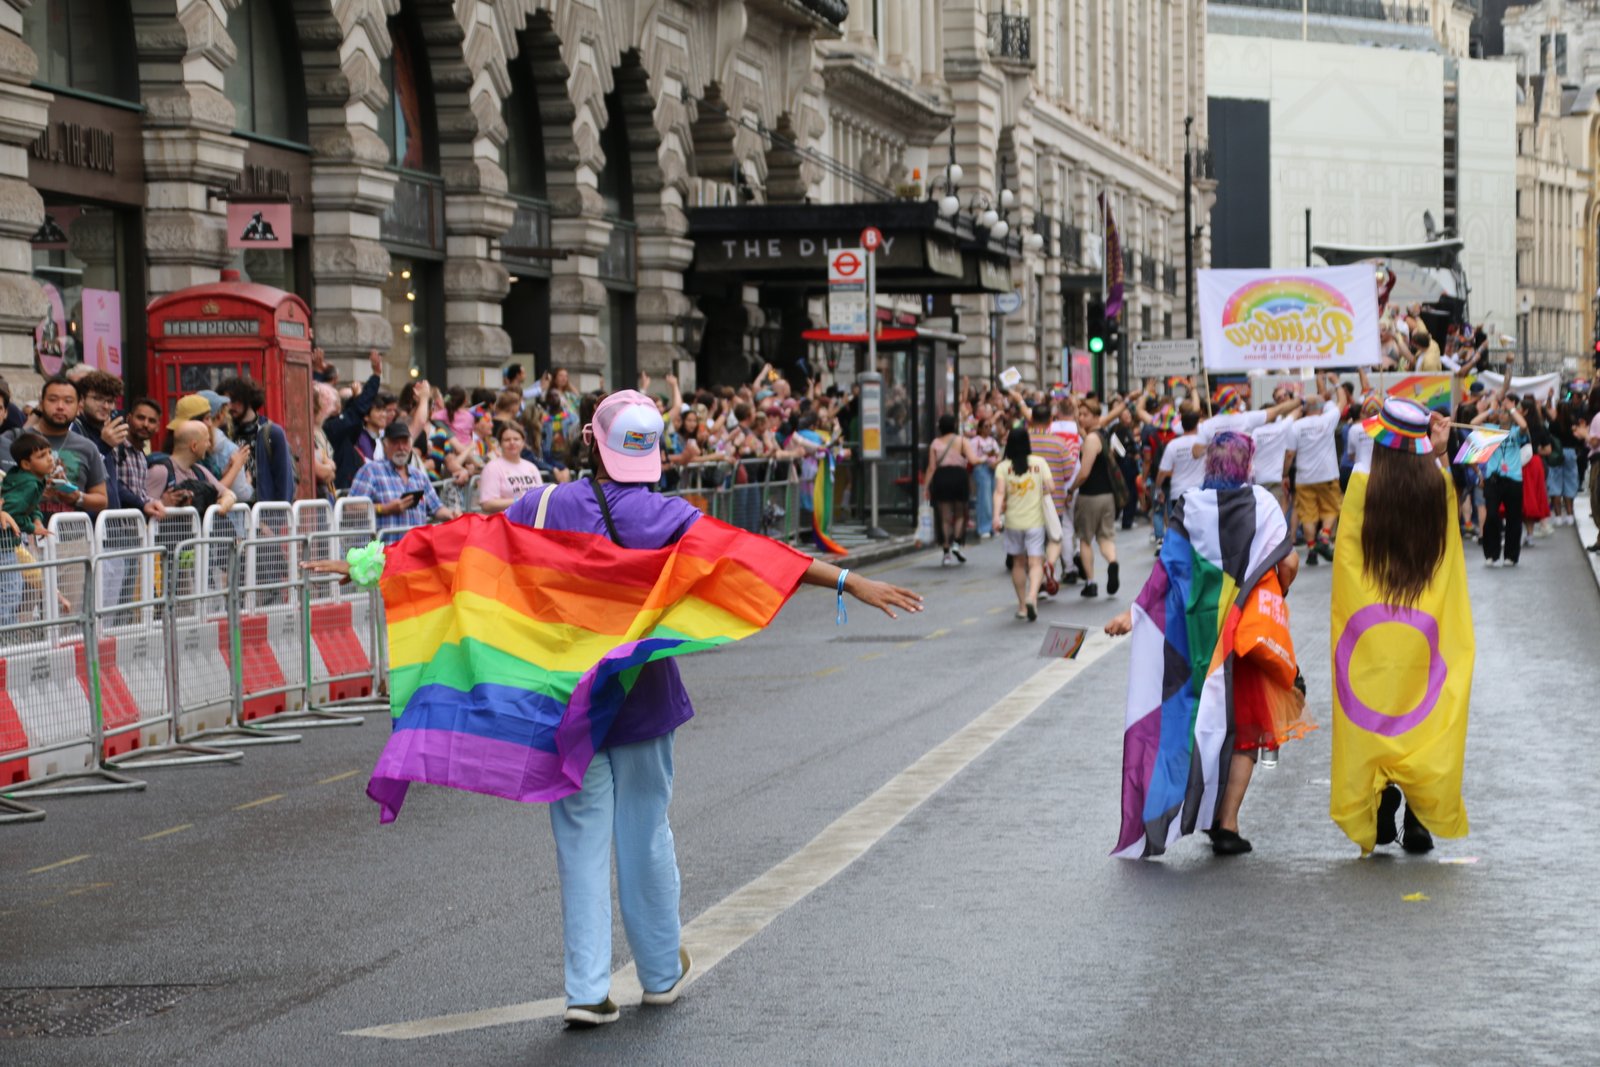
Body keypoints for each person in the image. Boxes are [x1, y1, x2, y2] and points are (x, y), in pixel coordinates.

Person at [307, 389, 922, 1028]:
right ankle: (659, 973)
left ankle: (586, 990)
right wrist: (851, 581)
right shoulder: (667, 515)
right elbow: (755, 556)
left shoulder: (543, 503)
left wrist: (367, 562)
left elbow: (457, 545)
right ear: (649, 455)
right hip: (642, 699)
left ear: (592, 448)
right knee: (647, 834)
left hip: (564, 702)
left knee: (580, 840)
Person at [1107, 431, 1304, 858]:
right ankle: (1226, 823)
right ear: (1247, 463)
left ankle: (1176, 812)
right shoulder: (1265, 505)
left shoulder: (1190, 506)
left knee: (1195, 722)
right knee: (1244, 732)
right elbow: (1288, 560)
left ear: (1209, 464)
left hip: (1198, 638)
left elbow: (1167, 570)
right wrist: (1274, 593)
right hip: (1246, 640)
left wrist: (1134, 614)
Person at [1330, 398, 1473, 854]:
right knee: (1423, 722)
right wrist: (1439, 452)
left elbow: (1348, 561)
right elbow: (1449, 551)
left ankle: (1381, 798)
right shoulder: (1438, 488)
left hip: (1371, 638)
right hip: (1423, 633)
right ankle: (1417, 816)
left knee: (1374, 721)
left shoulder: (1361, 489)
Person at [0, 375, 109, 518]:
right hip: (25, 534)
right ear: (41, 403)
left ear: (79, 407)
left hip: (73, 535)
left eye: (68, 401)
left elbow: (102, 500)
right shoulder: (14, 439)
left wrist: (78, 497)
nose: (60, 407)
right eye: (53, 400)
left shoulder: (88, 447)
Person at [350, 422, 460, 535]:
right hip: (386, 548)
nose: (401, 447)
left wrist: (452, 514)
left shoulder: (419, 476)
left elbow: (436, 508)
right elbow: (350, 507)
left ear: (411, 444)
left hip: (416, 547)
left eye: (405, 442)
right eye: (395, 442)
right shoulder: (370, 471)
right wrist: (384, 509)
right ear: (385, 445)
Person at [1071, 396, 1129, 599]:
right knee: (1105, 537)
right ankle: (1112, 562)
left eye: (1085, 415)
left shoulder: (1091, 440)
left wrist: (1072, 488)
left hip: (1090, 496)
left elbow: (1085, 472)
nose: (1081, 418)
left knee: (1085, 540)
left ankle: (1091, 582)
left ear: (1096, 417)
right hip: (1108, 496)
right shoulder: (1102, 433)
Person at [992, 426, 1052, 622]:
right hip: (1035, 521)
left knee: (1018, 563)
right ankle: (1032, 597)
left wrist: (995, 517)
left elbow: (999, 493)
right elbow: (1050, 487)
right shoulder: (1039, 463)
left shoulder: (1003, 467)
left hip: (1013, 522)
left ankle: (1021, 606)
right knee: (1035, 562)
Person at [1288, 373, 1344, 566]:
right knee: (1332, 508)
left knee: (1308, 514)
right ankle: (1325, 535)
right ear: (1320, 409)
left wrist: (1284, 473)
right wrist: (1336, 383)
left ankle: (1311, 549)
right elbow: (1342, 402)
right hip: (1327, 475)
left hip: (1304, 477)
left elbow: (1289, 454)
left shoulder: (1296, 426)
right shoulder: (1327, 420)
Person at [1473, 373, 1527, 568]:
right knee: (1492, 516)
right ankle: (1491, 553)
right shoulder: (1490, 429)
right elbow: (1473, 423)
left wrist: (1511, 408)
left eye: (1506, 414)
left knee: (1514, 517)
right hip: (1493, 479)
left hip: (1513, 478)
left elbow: (1523, 425)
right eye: (1502, 413)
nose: (1503, 415)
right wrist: (1491, 410)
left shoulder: (1515, 432)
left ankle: (1511, 555)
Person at [0, 433, 54, 622]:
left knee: (11, 591)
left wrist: (37, 519)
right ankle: (6, 637)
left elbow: (31, 505)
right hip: (4, 545)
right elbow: (9, 513)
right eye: (41, 456)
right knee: (10, 592)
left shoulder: (28, 477)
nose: (49, 459)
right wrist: (32, 527)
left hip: (8, 544)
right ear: (26, 464)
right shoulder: (30, 483)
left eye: (49, 453)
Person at [219, 376, 296, 504]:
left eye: (234, 401)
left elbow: (284, 482)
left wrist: (275, 520)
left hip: (264, 516)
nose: (230, 407)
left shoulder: (272, 433)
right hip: (233, 514)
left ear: (247, 399)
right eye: (226, 403)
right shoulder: (223, 434)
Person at [1028, 404, 1073, 593]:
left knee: (1033, 543)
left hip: (1027, 501)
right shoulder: (1059, 443)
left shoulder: (1025, 443)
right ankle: (1050, 566)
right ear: (1050, 421)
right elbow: (1069, 472)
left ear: (1031, 420)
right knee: (1053, 538)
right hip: (1053, 502)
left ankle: (1037, 580)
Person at [923, 413, 974, 566]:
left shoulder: (935, 443)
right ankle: (957, 543)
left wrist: (926, 487)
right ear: (954, 426)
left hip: (942, 478)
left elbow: (931, 468)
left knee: (945, 517)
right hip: (959, 477)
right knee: (959, 513)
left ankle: (946, 550)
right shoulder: (962, 441)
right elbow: (973, 459)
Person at [168, 421, 238, 514]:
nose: (209, 445)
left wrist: (228, 499)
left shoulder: (200, 470)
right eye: (206, 441)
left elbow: (228, 493)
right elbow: (147, 513)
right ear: (194, 446)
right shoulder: (161, 471)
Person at [477, 422, 544, 513]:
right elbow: (487, 504)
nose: (512, 443)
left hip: (530, 522)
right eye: (507, 440)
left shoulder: (531, 467)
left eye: (516, 439)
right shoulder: (492, 468)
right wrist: (518, 501)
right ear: (500, 443)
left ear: (523, 442)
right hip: (504, 523)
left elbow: (541, 497)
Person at [1547, 401, 1581, 527]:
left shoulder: (1553, 424)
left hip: (1556, 453)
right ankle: (1570, 514)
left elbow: (1549, 438)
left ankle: (1558, 516)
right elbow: (1579, 439)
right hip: (1571, 452)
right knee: (1570, 482)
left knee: (1555, 483)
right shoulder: (1574, 423)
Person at [969, 416, 1001, 539]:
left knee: (993, 498)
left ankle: (993, 525)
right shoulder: (975, 441)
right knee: (984, 499)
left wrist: (996, 462)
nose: (988, 429)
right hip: (981, 469)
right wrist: (986, 459)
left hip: (993, 469)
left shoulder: (992, 441)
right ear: (980, 428)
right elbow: (972, 458)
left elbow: (998, 454)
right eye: (986, 426)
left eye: (990, 426)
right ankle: (984, 527)